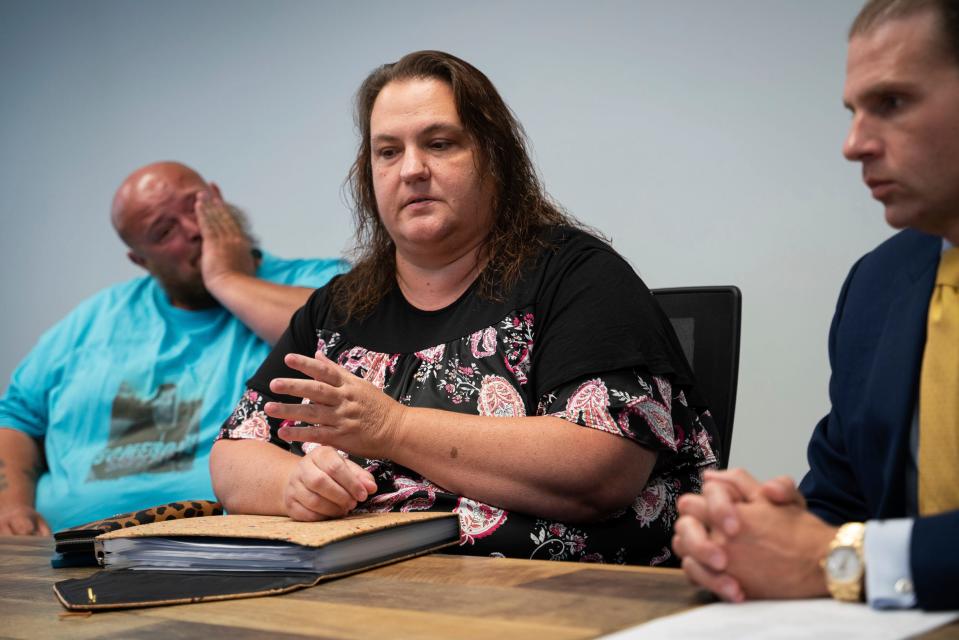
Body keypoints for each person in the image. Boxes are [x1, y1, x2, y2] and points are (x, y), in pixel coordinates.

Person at [211, 50, 719, 565]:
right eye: (387, 152)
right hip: (360, 592)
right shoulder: (337, 310)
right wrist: (294, 484)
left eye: (439, 143)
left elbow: (600, 470)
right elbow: (233, 455)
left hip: (555, 599)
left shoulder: (576, 275)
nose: (411, 169)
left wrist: (394, 429)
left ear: (495, 157)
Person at [672, 0, 959, 611]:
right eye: (854, 111)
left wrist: (833, 559)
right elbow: (842, 501)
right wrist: (749, 538)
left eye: (892, 103)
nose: (853, 145)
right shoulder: (877, 283)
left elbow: (838, 550)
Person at [0, 161, 347, 534]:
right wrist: (11, 506)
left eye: (197, 205)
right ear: (142, 261)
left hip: (223, 545)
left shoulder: (321, 285)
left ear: (218, 198)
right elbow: (16, 417)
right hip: (58, 548)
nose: (194, 229)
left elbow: (350, 347)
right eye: (165, 231)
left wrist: (226, 279)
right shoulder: (93, 321)